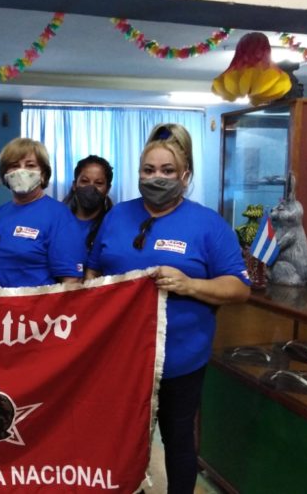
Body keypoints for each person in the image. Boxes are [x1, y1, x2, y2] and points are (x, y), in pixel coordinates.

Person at [86, 124, 250, 494]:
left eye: (167, 171)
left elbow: (239, 288)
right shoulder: (116, 216)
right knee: (120, 437)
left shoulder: (208, 224)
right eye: (148, 170)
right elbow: (93, 268)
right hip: (118, 356)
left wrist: (190, 284)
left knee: (177, 438)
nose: (155, 178)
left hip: (180, 358)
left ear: (185, 175)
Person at [0, 138, 85, 287]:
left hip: (39, 306)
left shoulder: (59, 216)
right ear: (5, 174)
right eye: (14, 166)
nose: (21, 171)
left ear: (43, 174)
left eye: (30, 165)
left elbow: (71, 282)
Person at [62, 155, 114, 251]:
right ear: (74, 185)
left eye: (98, 183)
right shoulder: (59, 221)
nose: (91, 187)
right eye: (85, 181)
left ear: (107, 189)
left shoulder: (112, 225)